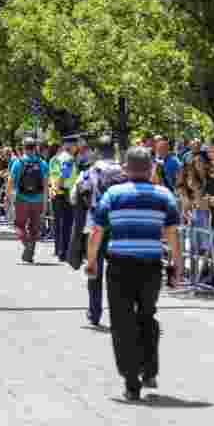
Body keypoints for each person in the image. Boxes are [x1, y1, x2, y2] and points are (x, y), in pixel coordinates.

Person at [86, 146, 181, 402]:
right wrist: (177, 264)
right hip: (151, 265)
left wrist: (92, 261)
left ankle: (131, 383)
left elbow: (97, 231)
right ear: (151, 169)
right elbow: (172, 233)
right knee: (147, 315)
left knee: (122, 323)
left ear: (125, 169)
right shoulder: (164, 195)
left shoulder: (113, 195)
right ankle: (149, 368)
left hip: (119, 266)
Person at [71, 136, 126, 327]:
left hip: (95, 226)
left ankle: (94, 312)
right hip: (120, 227)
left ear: (98, 151)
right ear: (115, 150)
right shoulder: (125, 172)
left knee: (94, 269)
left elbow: (73, 197)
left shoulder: (89, 172)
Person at [7, 137, 48, 263]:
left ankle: (27, 245)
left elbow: (10, 182)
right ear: (35, 147)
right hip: (38, 199)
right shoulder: (42, 163)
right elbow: (46, 185)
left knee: (19, 225)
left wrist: (8, 199)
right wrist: (45, 202)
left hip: (22, 199)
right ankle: (30, 251)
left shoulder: (18, 163)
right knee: (34, 227)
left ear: (23, 147)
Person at [49, 135, 80, 262]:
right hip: (65, 192)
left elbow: (52, 175)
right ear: (70, 146)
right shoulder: (68, 159)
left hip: (56, 192)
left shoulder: (54, 158)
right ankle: (64, 252)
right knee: (67, 223)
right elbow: (64, 175)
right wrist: (58, 187)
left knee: (58, 222)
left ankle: (58, 249)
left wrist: (53, 188)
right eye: (75, 145)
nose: (77, 147)